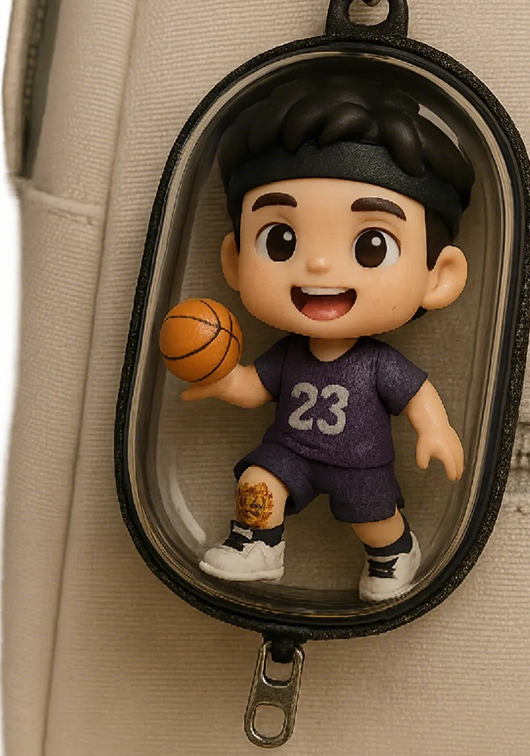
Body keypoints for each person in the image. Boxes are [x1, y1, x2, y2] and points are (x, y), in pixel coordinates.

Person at [183, 74, 473, 601]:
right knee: (257, 482)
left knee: (374, 521)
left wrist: (436, 429)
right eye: (280, 240)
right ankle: (257, 544)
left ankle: (395, 551)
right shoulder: (290, 354)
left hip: (359, 464)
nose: (318, 264)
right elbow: (255, 387)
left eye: (371, 246)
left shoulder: (377, 363)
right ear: (235, 260)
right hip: (289, 450)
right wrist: (224, 380)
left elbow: (417, 394)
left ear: (439, 278)